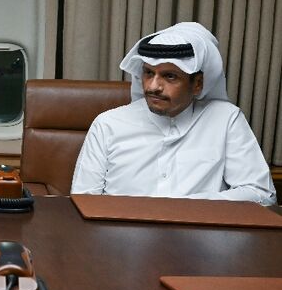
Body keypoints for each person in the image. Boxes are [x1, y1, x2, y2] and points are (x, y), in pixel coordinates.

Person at [71, 22, 276, 205]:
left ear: (197, 84)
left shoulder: (226, 120)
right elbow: (84, 199)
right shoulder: (108, 124)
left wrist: (183, 207)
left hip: (200, 241)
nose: (153, 86)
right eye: (149, 73)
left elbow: (261, 194)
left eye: (170, 76)